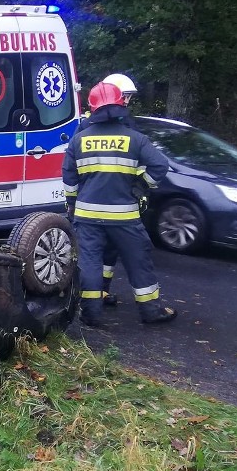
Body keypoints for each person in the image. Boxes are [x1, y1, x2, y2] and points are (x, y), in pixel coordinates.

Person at [62, 82, 177, 326]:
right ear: (120, 105)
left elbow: (69, 177)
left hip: (87, 215)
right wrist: (139, 186)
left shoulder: (78, 140)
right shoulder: (135, 138)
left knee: (90, 262)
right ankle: (151, 311)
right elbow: (160, 166)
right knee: (138, 261)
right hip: (124, 216)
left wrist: (72, 204)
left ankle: (91, 313)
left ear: (92, 108)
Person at [74, 73, 141, 307]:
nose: (128, 101)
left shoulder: (85, 125)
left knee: (98, 253)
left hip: (90, 203)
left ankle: (99, 295)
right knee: (105, 252)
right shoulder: (123, 124)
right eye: (126, 96)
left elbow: (73, 165)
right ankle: (100, 292)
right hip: (119, 202)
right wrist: (141, 188)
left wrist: (72, 201)